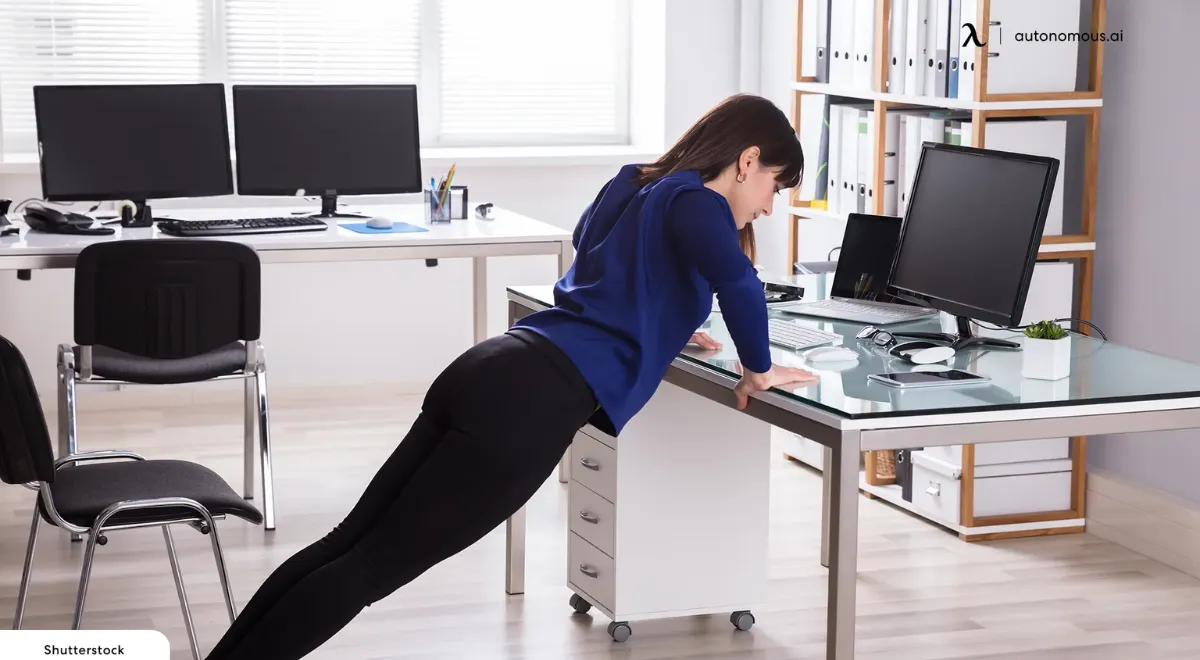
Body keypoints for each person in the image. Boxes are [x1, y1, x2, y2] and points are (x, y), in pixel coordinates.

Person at [203, 93, 818, 660]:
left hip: (490, 368)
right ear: (747, 160)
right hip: (530, 407)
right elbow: (741, 285)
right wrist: (758, 368)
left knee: (345, 546)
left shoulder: (639, 181)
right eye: (773, 185)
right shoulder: (700, 202)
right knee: (366, 570)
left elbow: (593, 246)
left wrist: (660, 318)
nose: (767, 204)